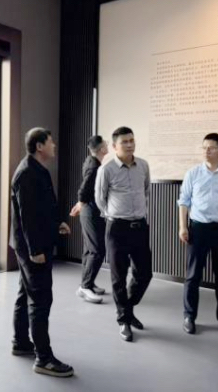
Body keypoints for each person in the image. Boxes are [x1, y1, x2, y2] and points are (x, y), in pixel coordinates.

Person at [9, 128, 74, 378]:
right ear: (39, 146)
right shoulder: (27, 173)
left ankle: (20, 342)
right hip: (32, 248)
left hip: (33, 244)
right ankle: (44, 359)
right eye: (50, 142)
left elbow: (42, 209)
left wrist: (57, 223)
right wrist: (35, 250)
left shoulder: (38, 170)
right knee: (40, 300)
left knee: (26, 293)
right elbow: (27, 217)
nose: (54, 145)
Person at [178, 133, 218, 338]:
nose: (207, 151)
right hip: (198, 229)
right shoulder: (193, 173)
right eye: (204, 147)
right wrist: (183, 227)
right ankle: (189, 317)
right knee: (193, 275)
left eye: (212, 147)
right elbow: (184, 201)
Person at [95, 126, 152, 342]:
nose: (129, 145)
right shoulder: (106, 170)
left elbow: (146, 191)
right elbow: (100, 199)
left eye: (131, 140)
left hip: (140, 227)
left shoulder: (143, 165)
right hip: (117, 228)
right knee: (118, 277)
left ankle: (127, 309)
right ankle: (124, 320)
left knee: (144, 274)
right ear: (114, 146)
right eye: (124, 142)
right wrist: (113, 215)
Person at [70, 135, 108, 304]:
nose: (107, 145)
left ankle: (88, 283)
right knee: (97, 249)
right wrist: (80, 203)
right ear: (101, 149)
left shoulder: (91, 161)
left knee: (89, 249)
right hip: (90, 210)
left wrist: (80, 204)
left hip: (90, 209)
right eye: (105, 144)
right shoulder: (94, 166)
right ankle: (85, 287)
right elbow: (83, 189)